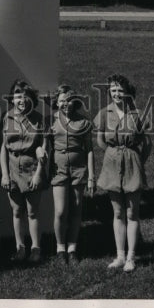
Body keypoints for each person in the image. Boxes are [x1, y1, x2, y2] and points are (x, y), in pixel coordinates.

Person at [94, 73, 150, 273]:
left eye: (120, 90)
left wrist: (137, 161)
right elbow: (100, 139)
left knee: (132, 213)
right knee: (117, 212)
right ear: (109, 91)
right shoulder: (103, 113)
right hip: (112, 163)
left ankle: (131, 258)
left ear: (127, 93)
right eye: (113, 90)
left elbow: (147, 143)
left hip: (132, 163)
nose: (116, 93)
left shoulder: (138, 114)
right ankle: (119, 256)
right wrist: (111, 153)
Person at [0, 78, 48, 264]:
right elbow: (3, 148)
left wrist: (38, 173)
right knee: (17, 211)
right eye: (17, 96)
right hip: (12, 169)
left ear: (30, 99)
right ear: (12, 98)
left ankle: (36, 248)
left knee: (32, 211)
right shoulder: (6, 117)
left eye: (25, 96)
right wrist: (4, 174)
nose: (21, 100)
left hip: (32, 168)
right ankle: (20, 248)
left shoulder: (38, 119)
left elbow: (43, 149)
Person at [49, 84, 95, 263]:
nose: (65, 104)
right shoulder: (51, 120)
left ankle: (72, 247)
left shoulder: (83, 122)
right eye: (61, 101)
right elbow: (45, 144)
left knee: (76, 209)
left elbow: (89, 150)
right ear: (56, 102)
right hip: (58, 170)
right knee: (60, 211)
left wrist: (91, 176)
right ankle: (60, 248)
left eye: (69, 101)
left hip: (79, 170)